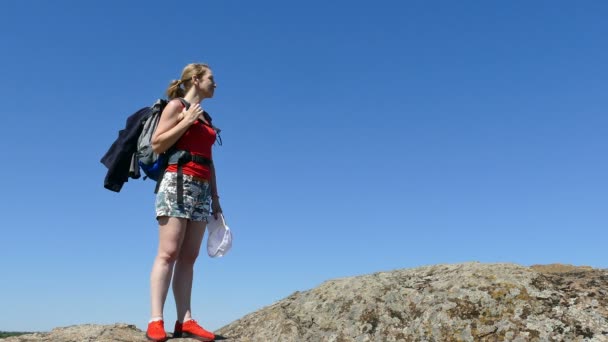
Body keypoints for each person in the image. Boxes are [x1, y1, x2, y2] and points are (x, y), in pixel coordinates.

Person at [145, 63, 222, 342]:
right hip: (177, 182)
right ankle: (156, 320)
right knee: (168, 253)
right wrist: (186, 121)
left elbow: (209, 160)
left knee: (189, 257)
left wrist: (216, 198)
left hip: (201, 187)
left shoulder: (206, 117)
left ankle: (185, 320)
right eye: (212, 79)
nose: (216, 84)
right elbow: (157, 144)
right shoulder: (177, 106)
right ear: (196, 79)